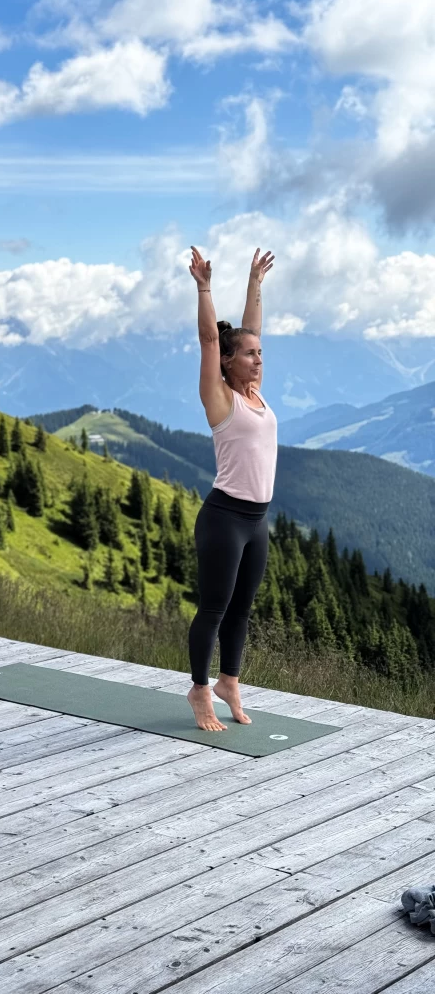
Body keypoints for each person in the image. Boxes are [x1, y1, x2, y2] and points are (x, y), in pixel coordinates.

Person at [186, 245, 276, 731]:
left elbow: (251, 329)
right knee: (215, 609)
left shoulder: (255, 393)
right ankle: (200, 690)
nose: (258, 358)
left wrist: (255, 283)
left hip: (257, 521)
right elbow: (207, 338)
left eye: (260, 354)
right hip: (224, 520)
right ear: (227, 361)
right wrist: (204, 286)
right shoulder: (219, 398)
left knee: (242, 610)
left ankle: (229, 681)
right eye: (248, 354)